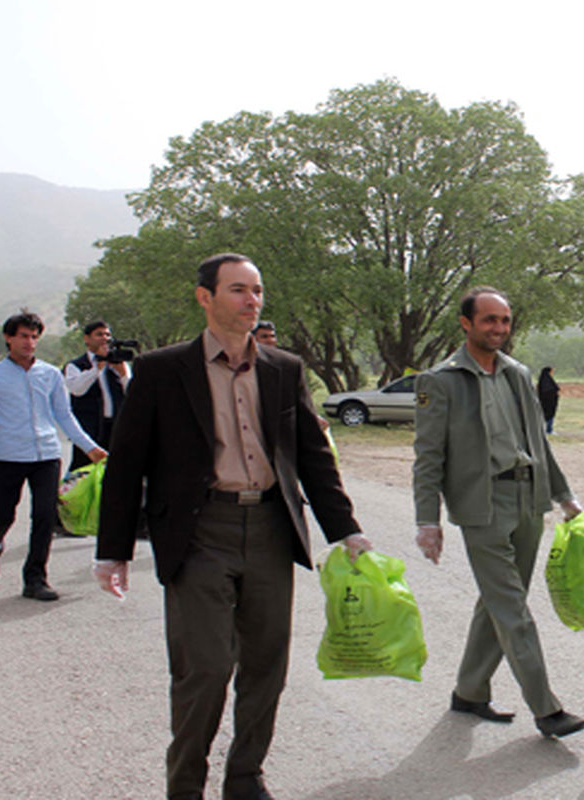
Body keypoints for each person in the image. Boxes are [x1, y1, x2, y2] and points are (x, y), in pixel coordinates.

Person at [92, 253, 372, 800]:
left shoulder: (283, 368)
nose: (252, 301)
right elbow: (126, 463)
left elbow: (312, 456)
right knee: (205, 667)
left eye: (258, 291)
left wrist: (346, 530)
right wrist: (112, 550)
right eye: (239, 290)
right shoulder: (163, 370)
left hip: (270, 525)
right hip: (199, 533)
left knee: (267, 663)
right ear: (205, 297)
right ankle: (186, 784)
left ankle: (245, 776)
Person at [412, 286, 584, 738]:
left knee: (499, 600)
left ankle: (470, 692)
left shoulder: (517, 373)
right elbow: (428, 457)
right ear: (465, 324)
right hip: (482, 505)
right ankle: (547, 710)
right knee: (512, 608)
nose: (498, 328)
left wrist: (564, 496)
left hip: (529, 498)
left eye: (505, 320)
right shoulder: (440, 381)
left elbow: (538, 441)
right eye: (489, 320)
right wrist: (427, 521)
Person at [0, 310, 106, 601]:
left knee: (45, 516)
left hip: (46, 456)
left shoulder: (50, 374)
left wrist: (89, 447)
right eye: (23, 336)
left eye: (34, 337)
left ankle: (35, 578)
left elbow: (64, 415)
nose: (29, 342)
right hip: (8, 457)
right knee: (1, 514)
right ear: (8, 338)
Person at [63, 320, 131, 472]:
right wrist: (96, 369)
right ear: (86, 339)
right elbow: (77, 390)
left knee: (118, 471)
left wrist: (123, 374)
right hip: (89, 430)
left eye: (108, 334)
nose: (105, 338)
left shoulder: (119, 364)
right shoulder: (76, 366)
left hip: (116, 428)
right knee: (83, 473)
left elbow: (133, 393)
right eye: (99, 334)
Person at [536, 366, 560, 433]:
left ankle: (542, 429)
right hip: (549, 403)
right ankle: (549, 430)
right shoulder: (548, 381)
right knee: (549, 415)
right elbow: (552, 390)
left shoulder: (542, 381)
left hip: (543, 402)